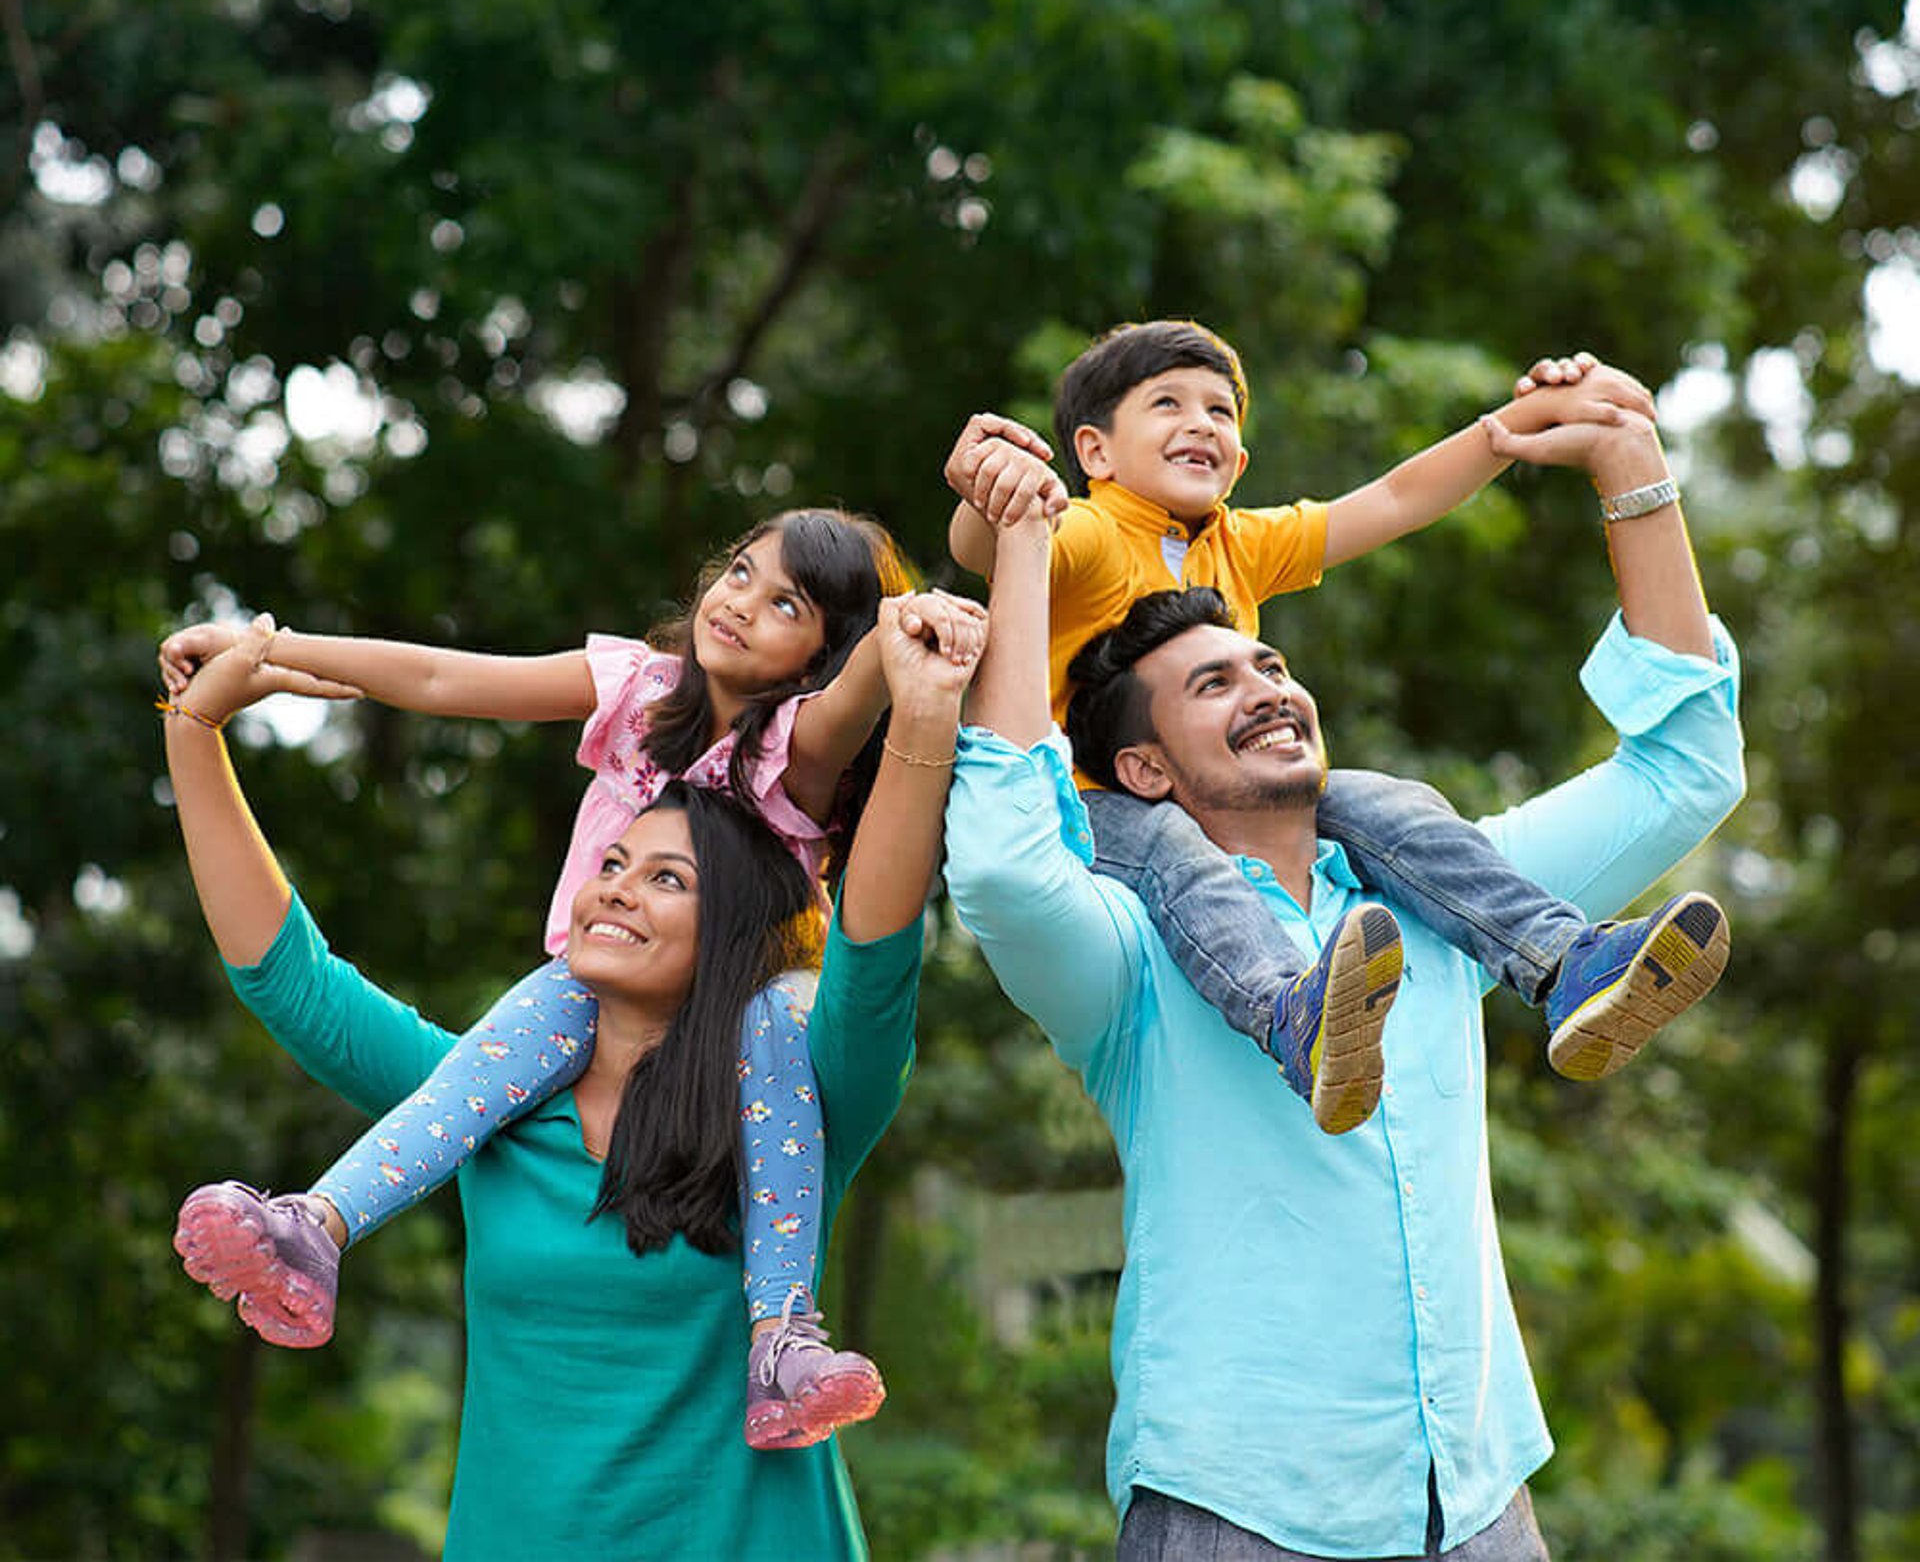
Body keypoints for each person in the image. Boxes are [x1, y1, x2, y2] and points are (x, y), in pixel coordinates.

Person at [943, 401, 1745, 1558]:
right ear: (1141, 768)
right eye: (1213, 686)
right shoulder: (1126, 960)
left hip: (1477, 1500)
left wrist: (1631, 463)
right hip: (1241, 1507)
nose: (1268, 686)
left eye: (1267, 662)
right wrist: (1018, 550)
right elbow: (1010, 872)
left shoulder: (1442, 904)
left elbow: (1687, 771)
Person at [158, 587, 975, 1560]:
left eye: (668, 879)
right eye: (614, 864)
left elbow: (876, 952)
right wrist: (193, 729)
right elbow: (295, 983)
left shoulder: (795, 1104)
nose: (618, 889)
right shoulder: (480, 1107)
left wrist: (923, 715)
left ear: (735, 934)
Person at [943, 324, 1727, 1129]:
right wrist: (994, 495)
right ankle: (1289, 1014)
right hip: (1102, 806)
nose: (1202, 422)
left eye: (1221, 412)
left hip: (1223, 793)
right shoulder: (1088, 527)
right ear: (1095, 453)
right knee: (1178, 853)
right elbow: (991, 545)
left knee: (1386, 803)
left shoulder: (1241, 545)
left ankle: (1567, 961)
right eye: (1168, 403)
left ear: (1239, 463)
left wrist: (1507, 432)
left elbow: (1392, 501)